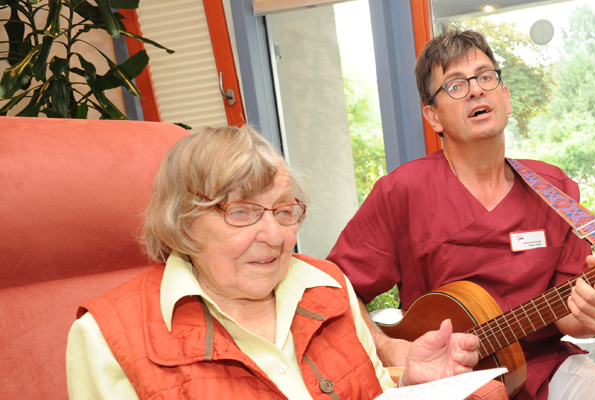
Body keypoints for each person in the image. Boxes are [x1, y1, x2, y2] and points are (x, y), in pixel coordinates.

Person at [327, 29, 595, 400]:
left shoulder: (554, 188)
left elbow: (569, 316)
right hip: (445, 380)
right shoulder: (402, 191)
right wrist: (390, 351)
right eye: (455, 85)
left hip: (545, 367)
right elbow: (334, 289)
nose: (476, 90)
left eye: (485, 77)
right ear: (433, 117)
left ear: (506, 98)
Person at [66, 126, 492, 399]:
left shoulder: (328, 283)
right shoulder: (104, 337)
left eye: (284, 211)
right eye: (242, 212)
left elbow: (373, 390)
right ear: (183, 223)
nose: (274, 236)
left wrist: (408, 383)